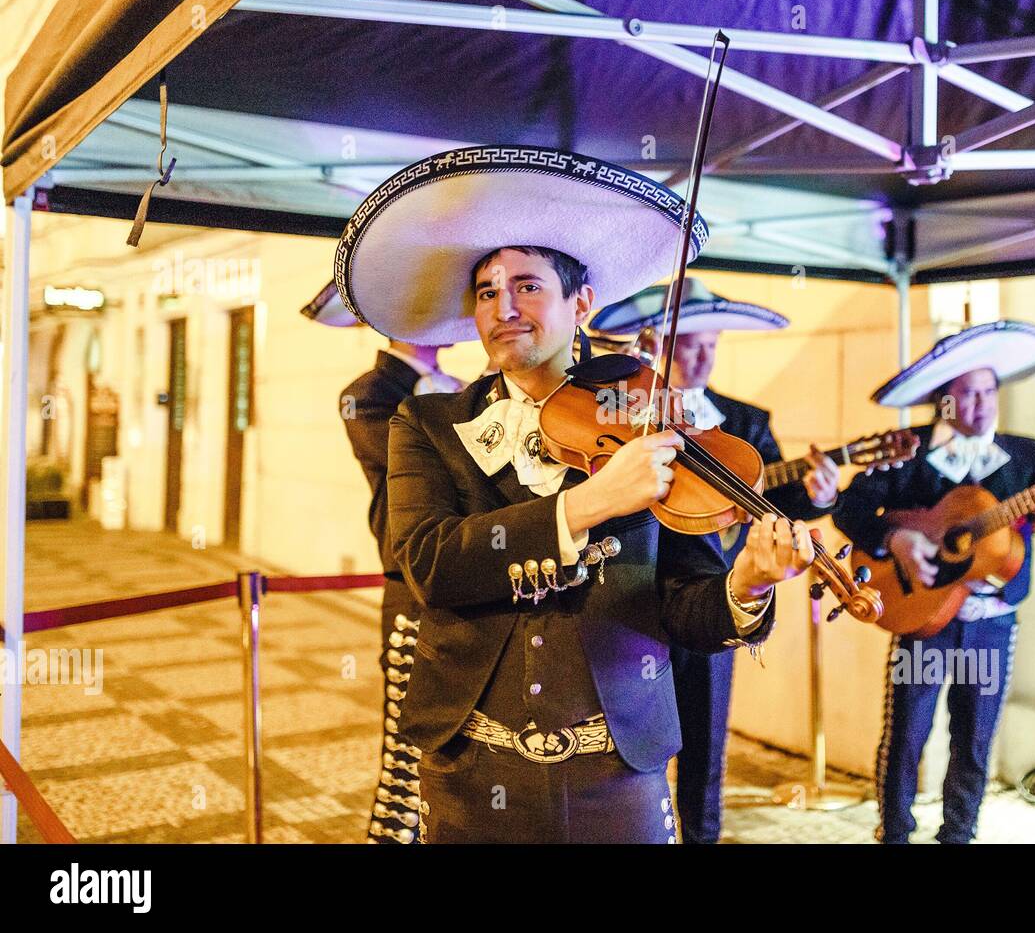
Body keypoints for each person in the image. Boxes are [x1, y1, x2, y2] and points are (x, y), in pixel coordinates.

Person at [334, 145, 815, 843]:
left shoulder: (645, 420)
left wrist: (747, 584)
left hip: (615, 774)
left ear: (581, 302)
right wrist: (588, 504)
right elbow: (430, 563)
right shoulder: (429, 423)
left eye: (528, 286)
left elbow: (688, 604)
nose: (504, 307)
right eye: (488, 291)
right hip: (472, 767)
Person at [833, 320, 1035, 844]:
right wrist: (893, 537)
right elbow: (849, 507)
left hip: (991, 620)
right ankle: (893, 833)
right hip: (922, 617)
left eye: (989, 390)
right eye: (967, 393)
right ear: (944, 401)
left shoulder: (1027, 456)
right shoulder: (908, 448)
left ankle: (958, 835)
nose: (982, 403)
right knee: (907, 736)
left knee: (975, 739)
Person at [590, 280, 840, 844]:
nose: (698, 358)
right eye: (685, 347)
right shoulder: (627, 416)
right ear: (659, 345)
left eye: (709, 346)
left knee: (705, 740)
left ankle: (701, 836)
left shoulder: (746, 421)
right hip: (631, 596)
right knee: (627, 739)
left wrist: (821, 494)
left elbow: (780, 498)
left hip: (711, 590)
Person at [302, 280, 464, 843]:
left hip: (467, 587)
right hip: (411, 586)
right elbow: (424, 474)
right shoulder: (368, 393)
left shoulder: (461, 390)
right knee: (405, 760)